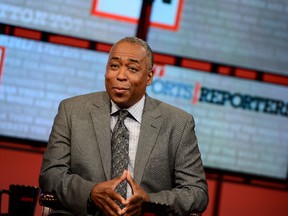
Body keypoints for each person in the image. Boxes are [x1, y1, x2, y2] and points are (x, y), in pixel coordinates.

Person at [39, 36, 208, 216]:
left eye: (132, 68)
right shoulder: (72, 110)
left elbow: (196, 192)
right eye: (114, 66)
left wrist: (149, 202)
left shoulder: (178, 123)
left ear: (149, 76)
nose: (120, 76)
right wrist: (91, 192)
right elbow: (51, 174)